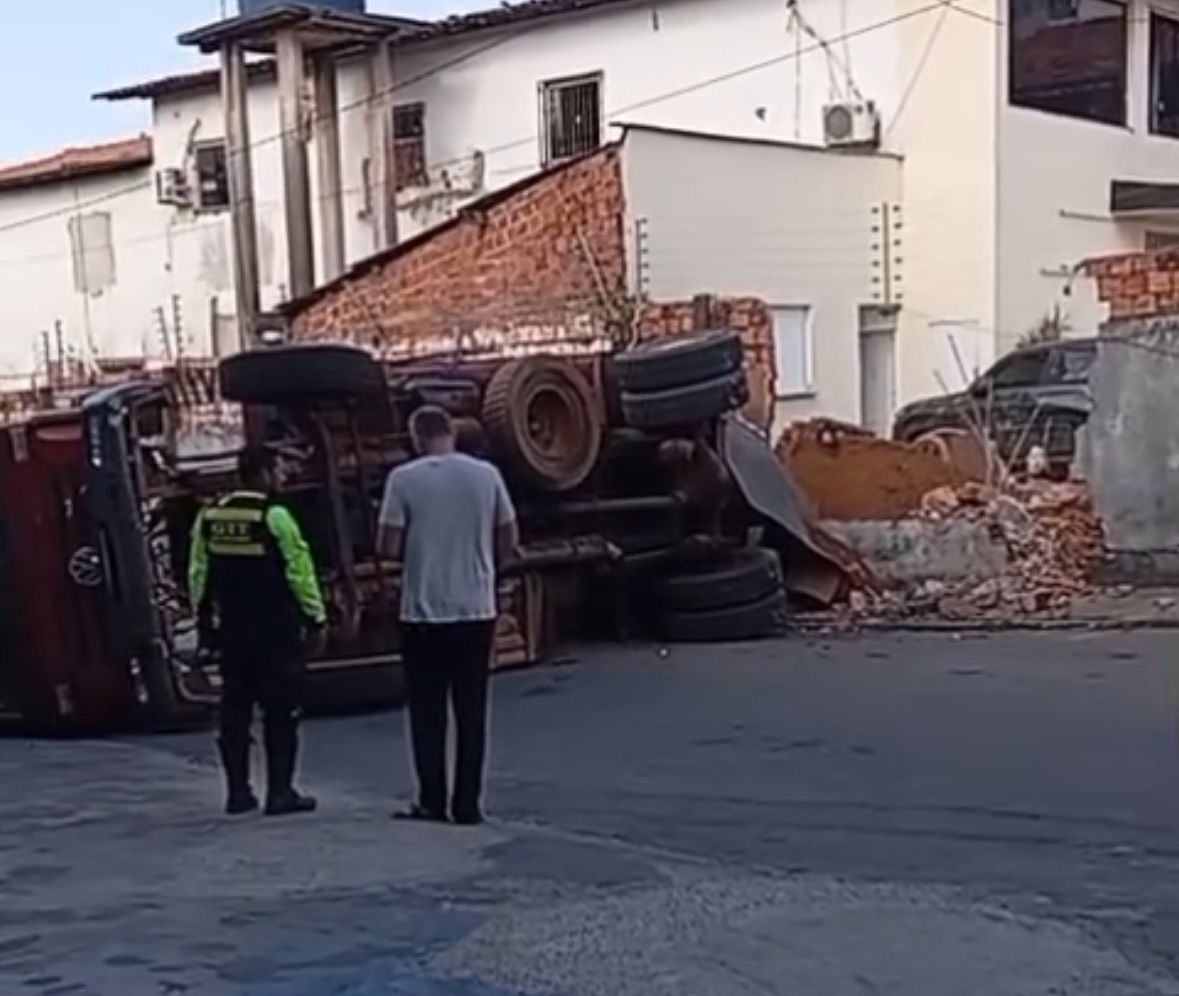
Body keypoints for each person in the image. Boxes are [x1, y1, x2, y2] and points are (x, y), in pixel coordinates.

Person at [377, 405, 519, 826]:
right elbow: (509, 536)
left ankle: (432, 800)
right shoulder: (486, 475)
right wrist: (485, 563)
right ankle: (468, 804)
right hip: (476, 607)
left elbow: (387, 544)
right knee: (472, 710)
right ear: (451, 433)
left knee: (427, 711)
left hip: (422, 610)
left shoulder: (403, 480)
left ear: (416, 436)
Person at [189, 447, 327, 817]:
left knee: (235, 710)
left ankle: (238, 792)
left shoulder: (211, 515)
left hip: (232, 631)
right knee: (280, 712)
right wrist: (316, 618)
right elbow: (300, 570)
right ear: (263, 473)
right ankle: (280, 792)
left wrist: (203, 620)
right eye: (279, 469)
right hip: (275, 629)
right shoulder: (274, 515)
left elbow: (198, 574)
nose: (283, 476)